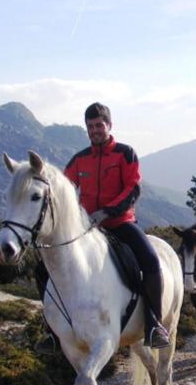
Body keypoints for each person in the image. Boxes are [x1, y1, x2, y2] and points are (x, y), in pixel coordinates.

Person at [62, 102, 170, 348]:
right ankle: (53, 329)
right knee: (46, 265)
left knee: (151, 262)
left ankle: (155, 325)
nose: (94, 130)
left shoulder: (125, 153)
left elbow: (133, 188)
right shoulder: (79, 160)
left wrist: (107, 212)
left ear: (109, 125)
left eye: (99, 125)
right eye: (90, 126)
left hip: (120, 223)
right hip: (87, 228)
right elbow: (64, 189)